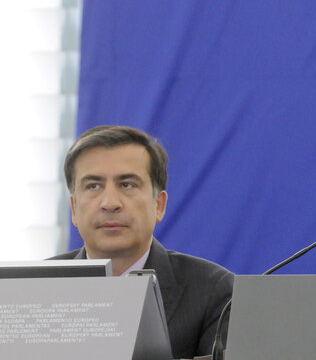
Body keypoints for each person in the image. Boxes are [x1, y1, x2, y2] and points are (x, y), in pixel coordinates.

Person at [51, 125, 234, 359]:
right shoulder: (37, 287)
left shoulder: (214, 292)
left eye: (127, 184)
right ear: (74, 208)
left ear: (159, 205)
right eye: (93, 186)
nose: (110, 202)